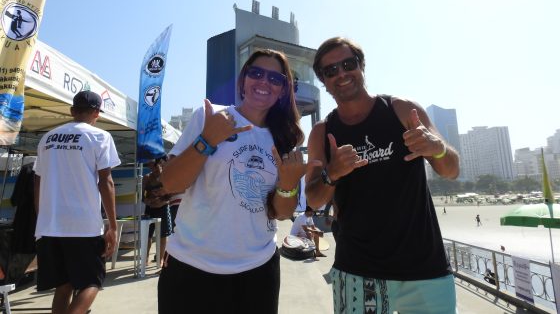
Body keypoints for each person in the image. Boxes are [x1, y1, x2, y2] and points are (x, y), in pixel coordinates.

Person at [158, 49, 320, 314]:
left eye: (275, 79)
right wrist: (207, 140)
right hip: (191, 267)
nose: (264, 82)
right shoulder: (210, 116)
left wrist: (289, 184)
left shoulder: (285, 139)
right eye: (256, 73)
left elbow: (281, 213)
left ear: (282, 90)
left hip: (257, 271)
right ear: (243, 79)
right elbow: (171, 183)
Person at [305, 37, 460, 314]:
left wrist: (436, 149)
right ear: (324, 82)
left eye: (348, 64)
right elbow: (313, 200)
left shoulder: (401, 109)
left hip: (425, 270)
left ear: (361, 66)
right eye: (330, 71)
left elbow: (451, 170)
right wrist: (332, 173)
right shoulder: (322, 131)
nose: (341, 73)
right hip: (357, 271)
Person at [34, 91, 121, 314]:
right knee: (92, 282)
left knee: (63, 286)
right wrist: (112, 225)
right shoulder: (100, 137)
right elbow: (106, 182)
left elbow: (38, 182)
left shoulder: (48, 138)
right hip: (83, 226)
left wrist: (41, 218)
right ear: (97, 113)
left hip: (50, 225)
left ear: (72, 111)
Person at [142, 156, 172, 267]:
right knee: (147, 235)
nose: (151, 168)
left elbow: (171, 194)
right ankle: (145, 259)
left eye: (153, 165)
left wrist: (161, 201)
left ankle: (160, 260)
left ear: (159, 164)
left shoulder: (166, 176)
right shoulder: (147, 177)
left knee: (163, 235)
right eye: (149, 166)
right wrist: (147, 201)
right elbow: (141, 196)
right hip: (150, 208)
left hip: (163, 208)